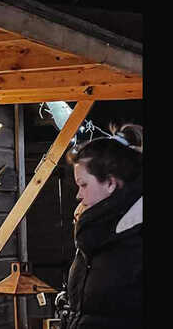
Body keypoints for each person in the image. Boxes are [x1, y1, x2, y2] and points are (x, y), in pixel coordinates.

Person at [63, 123, 143, 329]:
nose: (78, 195)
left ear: (110, 183)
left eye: (84, 185)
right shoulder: (92, 234)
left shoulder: (135, 236)